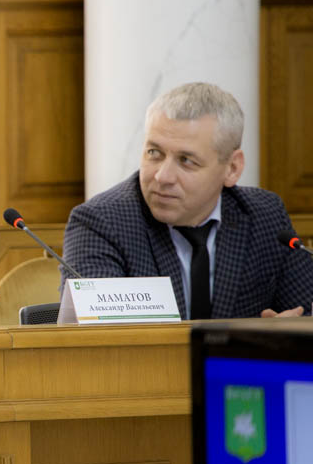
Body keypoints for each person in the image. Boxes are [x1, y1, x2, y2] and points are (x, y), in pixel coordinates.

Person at [61, 81, 313, 319]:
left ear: (232, 168)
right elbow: (101, 336)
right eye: (154, 153)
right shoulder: (101, 223)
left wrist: (291, 330)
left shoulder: (264, 215)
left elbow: (304, 310)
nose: (163, 176)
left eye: (186, 161)